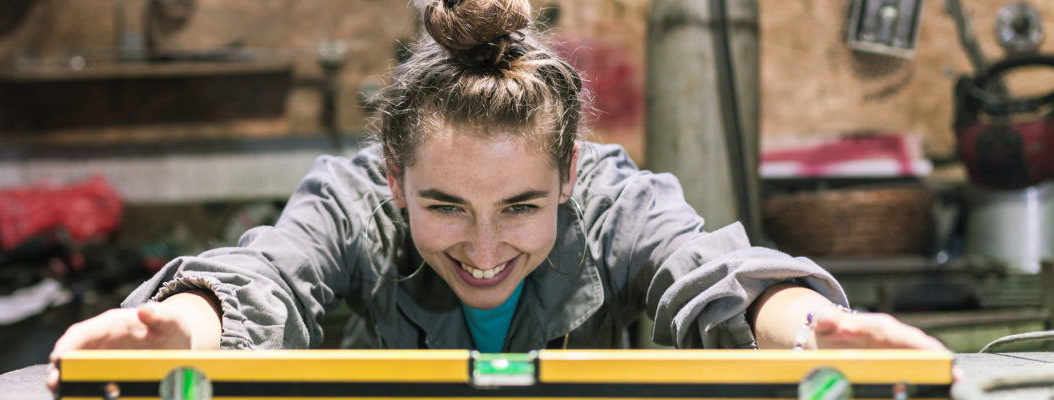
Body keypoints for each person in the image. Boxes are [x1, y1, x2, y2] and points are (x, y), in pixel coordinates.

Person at [48, 0, 945, 390]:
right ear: (394, 181)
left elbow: (706, 271)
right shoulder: (353, 200)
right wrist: (188, 325)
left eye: (521, 205)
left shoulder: (610, 198)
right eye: (443, 206)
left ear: (569, 176)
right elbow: (272, 276)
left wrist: (810, 328)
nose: (483, 252)